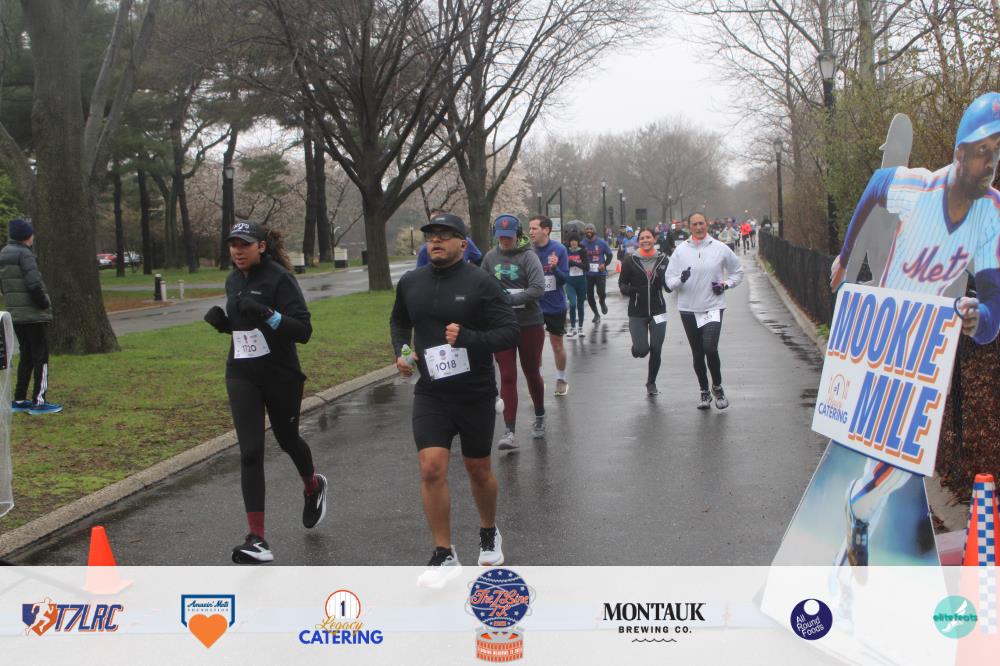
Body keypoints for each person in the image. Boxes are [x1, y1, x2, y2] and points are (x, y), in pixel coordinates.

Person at [829, 91, 1000, 567]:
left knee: (900, 463)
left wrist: (981, 319)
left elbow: (992, 303)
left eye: (997, 151)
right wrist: (845, 255)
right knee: (893, 457)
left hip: (925, 345)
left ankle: (852, 540)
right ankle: (855, 522)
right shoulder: (919, 187)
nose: (990, 162)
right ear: (959, 152)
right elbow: (876, 185)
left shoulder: (991, 212)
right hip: (885, 331)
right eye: (981, 150)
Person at [391, 212, 519, 584]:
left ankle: (488, 530)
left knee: (478, 470)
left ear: (463, 243)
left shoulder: (481, 283)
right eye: (431, 235)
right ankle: (443, 552)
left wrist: (468, 338)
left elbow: (509, 332)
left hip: (474, 392)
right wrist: (402, 352)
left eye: (445, 235)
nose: (436, 240)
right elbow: (399, 321)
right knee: (431, 467)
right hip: (432, 391)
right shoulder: (411, 282)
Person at [203, 220, 326, 564]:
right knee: (250, 452)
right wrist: (225, 325)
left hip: (280, 374)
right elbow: (245, 327)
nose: (237, 251)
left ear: (261, 246)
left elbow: (303, 331)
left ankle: (313, 486)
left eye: (244, 244)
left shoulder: (279, 279)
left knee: (287, 440)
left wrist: (269, 314)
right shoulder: (233, 279)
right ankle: (257, 539)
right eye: (233, 245)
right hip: (242, 373)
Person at [665, 212, 744, 409]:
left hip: (713, 306)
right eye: (694, 224)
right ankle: (704, 391)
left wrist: (725, 284)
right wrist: (681, 279)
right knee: (698, 353)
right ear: (689, 227)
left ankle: (717, 386)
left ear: (706, 224)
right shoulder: (680, 251)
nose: (699, 227)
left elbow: (737, 272)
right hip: (688, 308)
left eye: (701, 223)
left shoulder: (720, 248)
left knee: (710, 348)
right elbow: (669, 281)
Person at [482, 214, 546, 450]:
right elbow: (482, 285)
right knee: (507, 376)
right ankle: (509, 431)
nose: (505, 241)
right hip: (501, 325)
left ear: (517, 235)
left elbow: (538, 288)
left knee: (531, 372)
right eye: (501, 237)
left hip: (529, 323)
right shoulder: (490, 258)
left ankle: (539, 414)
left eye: (509, 237)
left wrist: (508, 300)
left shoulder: (528, 257)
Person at [0, 218, 61, 415]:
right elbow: (33, 283)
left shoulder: (4, 253)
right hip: (33, 314)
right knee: (40, 356)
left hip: (16, 313)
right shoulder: (25, 254)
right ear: (27, 236)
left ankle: (19, 398)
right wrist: (44, 303)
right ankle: (39, 400)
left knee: (26, 354)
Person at [617, 228, 671, 396]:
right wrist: (631, 291)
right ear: (638, 241)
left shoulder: (663, 260)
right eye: (642, 238)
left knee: (656, 348)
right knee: (642, 350)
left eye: (648, 237)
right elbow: (622, 284)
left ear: (654, 239)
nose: (645, 240)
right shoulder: (630, 261)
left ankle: (651, 382)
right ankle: (637, 349)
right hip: (637, 312)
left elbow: (669, 286)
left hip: (658, 310)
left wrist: (681, 280)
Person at [528, 215, 570, 396]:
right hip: (534, 306)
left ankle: (561, 379)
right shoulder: (528, 251)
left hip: (555, 305)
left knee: (556, 344)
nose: (530, 232)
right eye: (530, 228)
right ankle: (537, 380)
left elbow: (564, 279)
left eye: (534, 228)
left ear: (546, 230)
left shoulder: (559, 249)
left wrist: (554, 268)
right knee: (534, 346)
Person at [415, 210, 483, 267]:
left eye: (444, 234)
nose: (435, 239)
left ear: (463, 245)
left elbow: (479, 259)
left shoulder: (466, 241)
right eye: (431, 234)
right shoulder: (425, 249)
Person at [581, 223, 613, 323]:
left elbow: (610, 255)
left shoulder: (601, 242)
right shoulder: (582, 244)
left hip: (600, 273)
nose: (589, 231)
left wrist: (604, 264)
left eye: (591, 229)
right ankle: (596, 314)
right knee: (589, 296)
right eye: (587, 229)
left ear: (594, 231)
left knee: (601, 293)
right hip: (588, 274)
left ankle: (602, 302)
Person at [564, 232, 589, 337]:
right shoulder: (566, 251)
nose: (573, 243)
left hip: (581, 282)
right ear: (569, 242)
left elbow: (586, 267)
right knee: (572, 304)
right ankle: (573, 327)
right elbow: (563, 264)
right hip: (570, 282)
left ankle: (580, 328)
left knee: (580, 305)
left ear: (578, 242)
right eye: (571, 241)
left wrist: (575, 263)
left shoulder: (582, 251)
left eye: (575, 241)